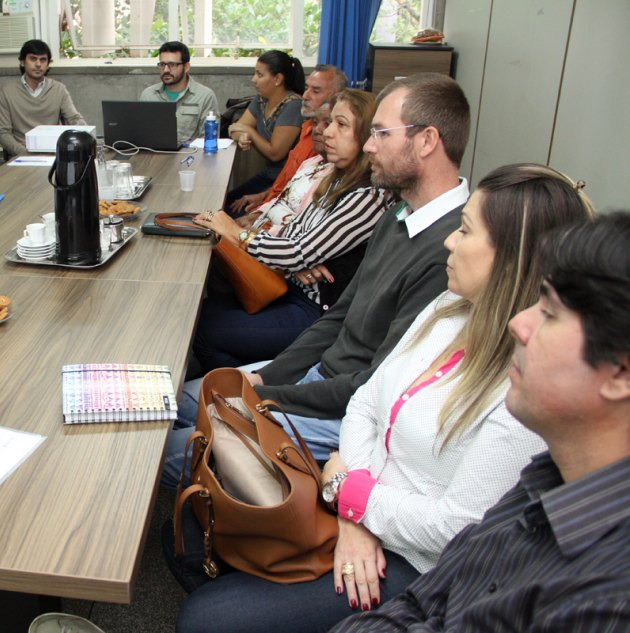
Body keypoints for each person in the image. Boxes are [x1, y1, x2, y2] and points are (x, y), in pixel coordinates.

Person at [172, 162, 594, 633]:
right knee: (196, 517)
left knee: (205, 618)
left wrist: (350, 495)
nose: (450, 240)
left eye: (467, 232)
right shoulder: (448, 309)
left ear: (512, 259)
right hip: (360, 505)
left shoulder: (525, 383)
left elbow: (458, 527)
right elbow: (368, 404)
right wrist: (353, 510)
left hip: (416, 563)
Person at [161, 73, 472, 487]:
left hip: (348, 411)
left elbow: (374, 387)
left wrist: (264, 398)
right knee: (177, 398)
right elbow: (338, 317)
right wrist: (265, 377)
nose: (368, 145)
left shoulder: (452, 251)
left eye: (380, 133)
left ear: (427, 140)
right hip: (319, 378)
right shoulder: (400, 216)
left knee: (166, 450)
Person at [332, 211, 630, 632]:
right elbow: (423, 604)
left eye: (550, 312)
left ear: (619, 373)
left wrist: (349, 491)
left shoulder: (608, 602)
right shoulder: (542, 479)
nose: (519, 324)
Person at [192, 90, 392, 372]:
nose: (328, 133)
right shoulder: (334, 178)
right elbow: (293, 238)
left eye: (341, 125)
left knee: (204, 332)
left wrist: (236, 232)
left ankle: (256, 391)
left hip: (316, 315)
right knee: (202, 311)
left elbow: (297, 251)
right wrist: (296, 263)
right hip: (289, 287)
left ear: (367, 138)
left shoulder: (368, 196)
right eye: (330, 123)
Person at [229, 64, 346, 215]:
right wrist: (262, 197)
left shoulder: (326, 142)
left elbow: (299, 203)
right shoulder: (308, 126)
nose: (305, 95)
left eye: (316, 91)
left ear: (338, 97)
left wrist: (260, 213)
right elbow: (290, 184)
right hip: (271, 203)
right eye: (306, 88)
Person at [224, 51, 305, 209]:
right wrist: (242, 136)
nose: (254, 80)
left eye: (259, 75)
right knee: (226, 202)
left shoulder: (293, 106)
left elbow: (275, 153)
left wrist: (250, 132)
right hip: (269, 174)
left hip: (286, 179)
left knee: (233, 209)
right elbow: (234, 128)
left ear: (277, 79)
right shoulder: (261, 100)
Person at [0, 39, 87, 158]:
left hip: (54, 154)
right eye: (33, 59)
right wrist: (25, 154)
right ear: (22, 62)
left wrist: (86, 134)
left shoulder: (59, 89)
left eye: (43, 60)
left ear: (48, 64)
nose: (38, 64)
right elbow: (3, 133)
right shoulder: (7, 92)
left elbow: (74, 118)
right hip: (21, 155)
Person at [140, 41, 220, 145]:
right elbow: (141, 135)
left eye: (172, 65)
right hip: (154, 156)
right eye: (162, 64)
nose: (166, 70)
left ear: (186, 67)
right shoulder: (148, 95)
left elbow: (209, 139)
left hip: (190, 157)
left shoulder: (205, 96)